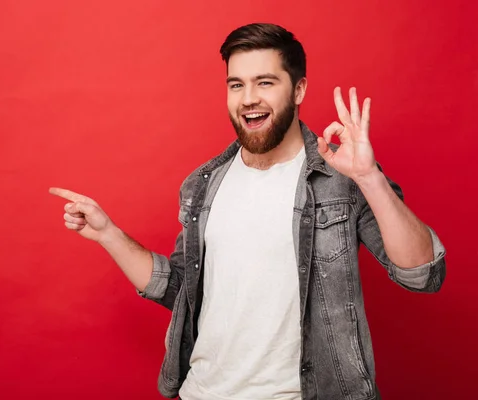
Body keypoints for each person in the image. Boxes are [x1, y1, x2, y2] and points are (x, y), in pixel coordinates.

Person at [49, 22, 446, 400]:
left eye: (265, 83)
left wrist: (369, 178)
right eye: (236, 84)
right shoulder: (202, 185)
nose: (248, 97)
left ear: (299, 89)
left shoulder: (340, 178)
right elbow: (182, 291)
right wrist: (108, 234)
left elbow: (423, 275)